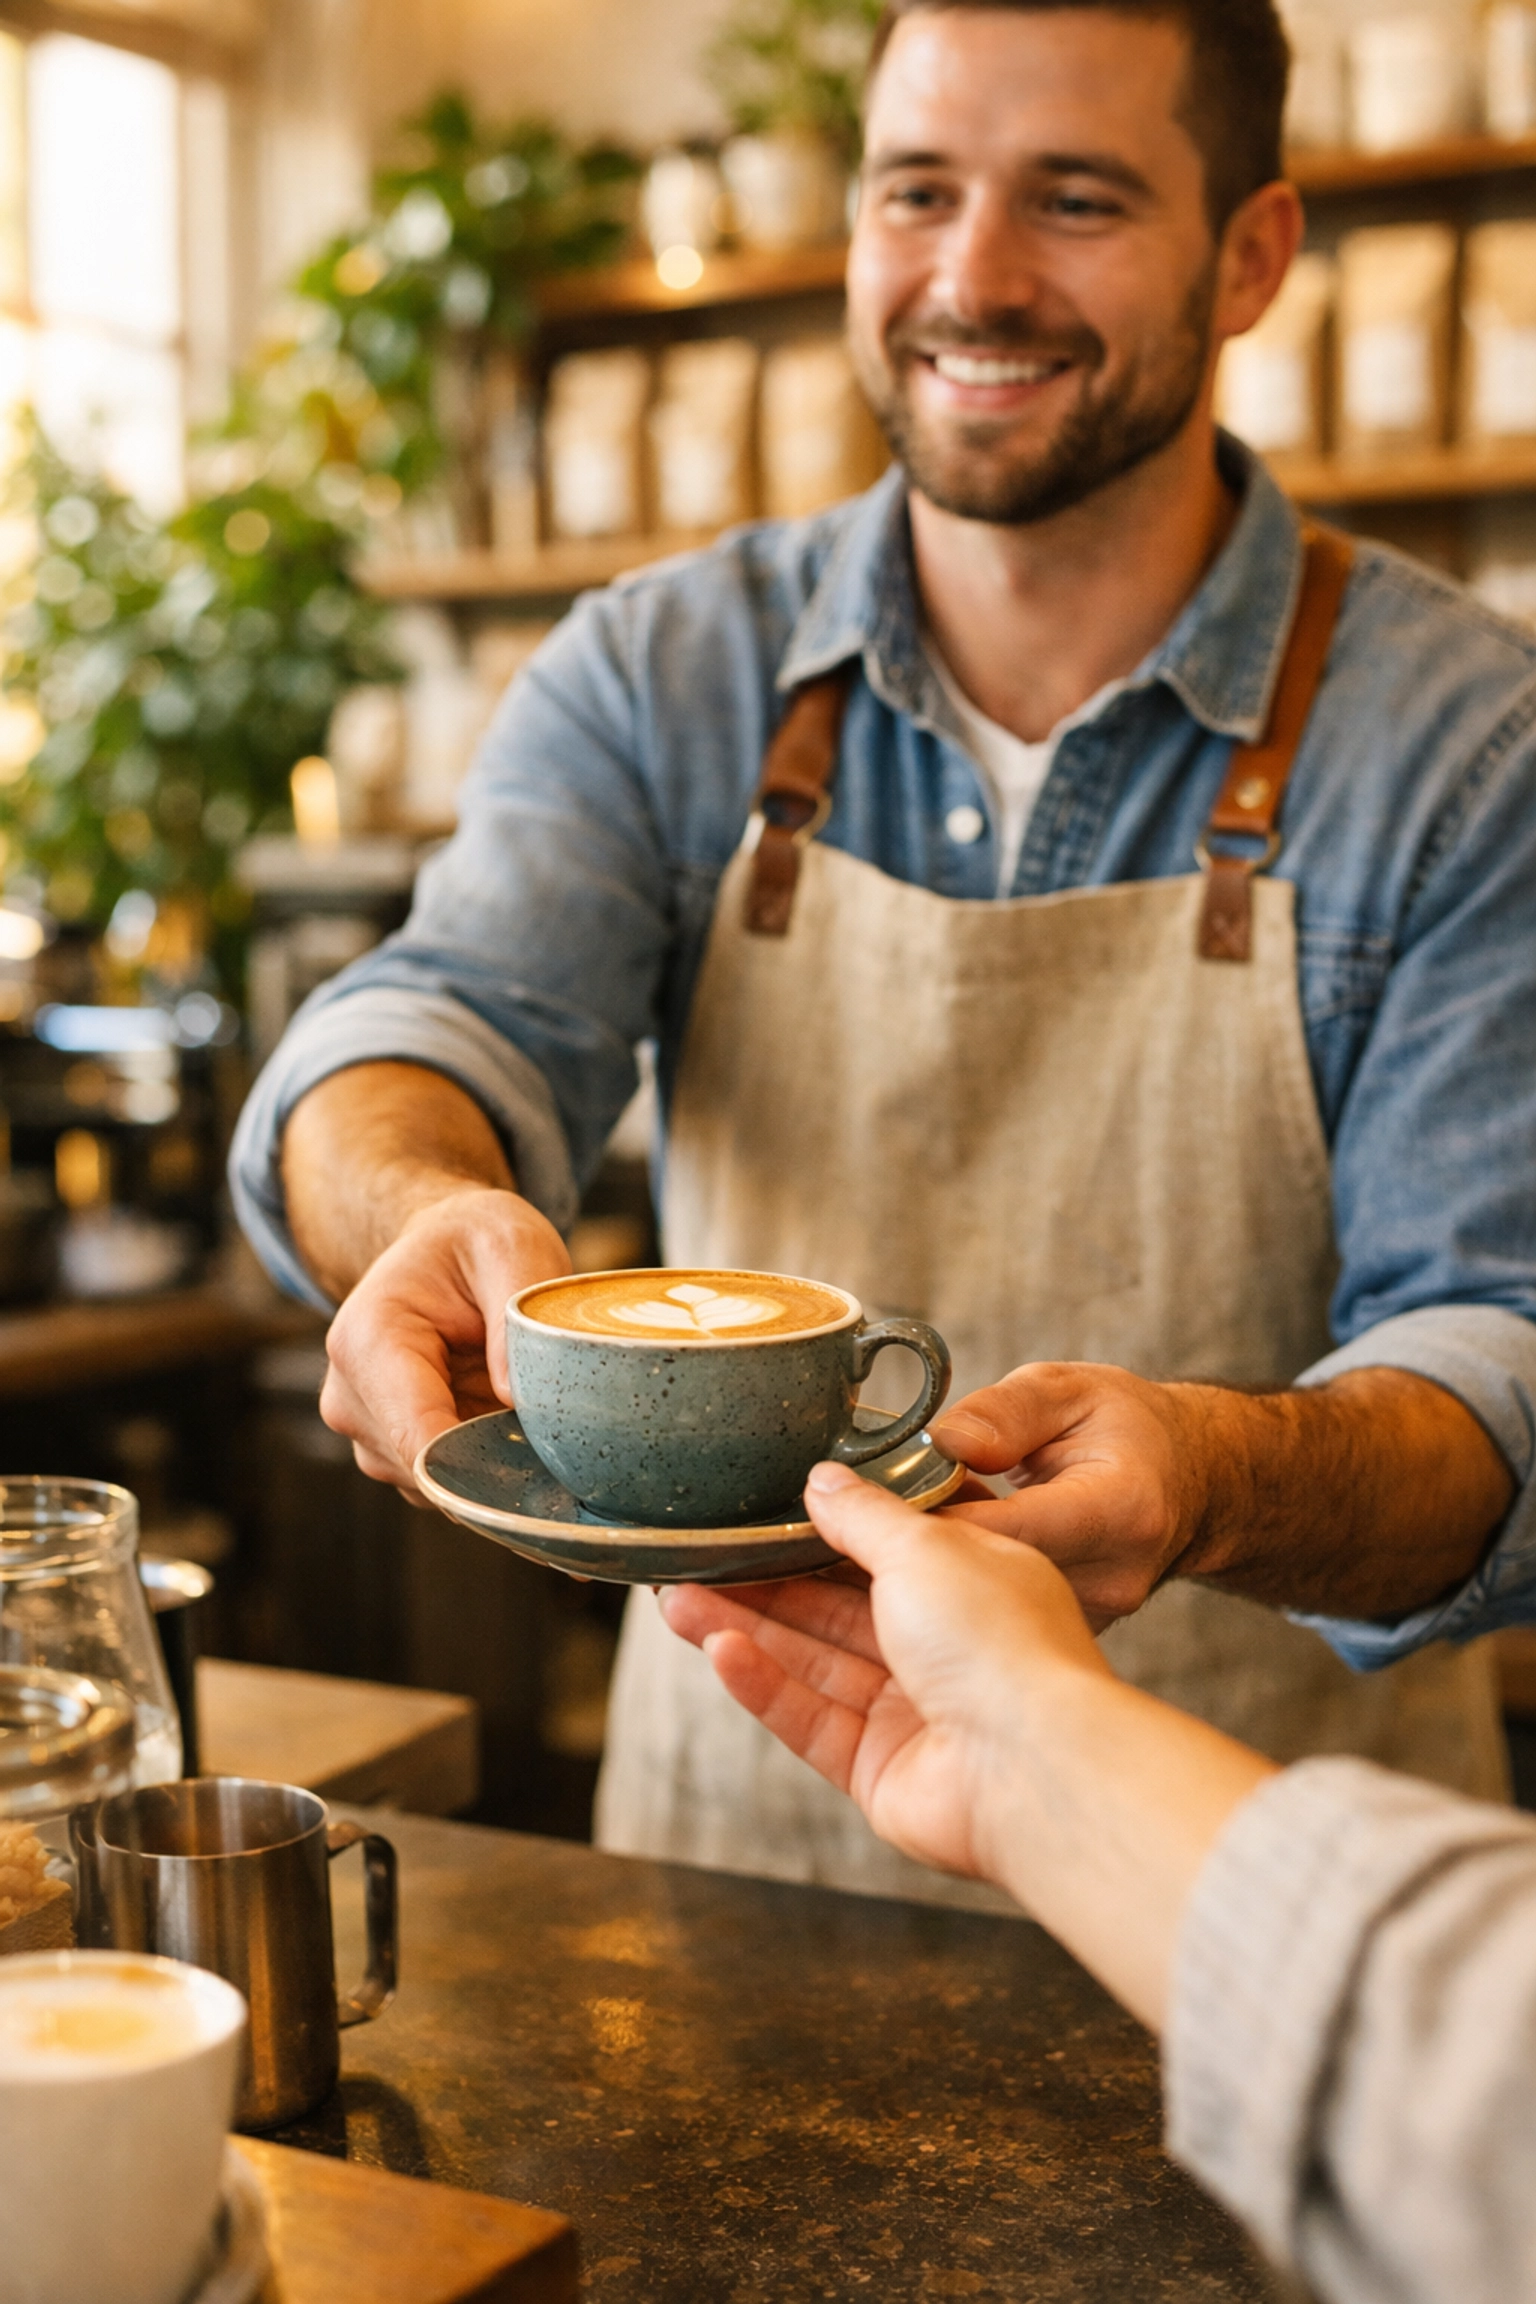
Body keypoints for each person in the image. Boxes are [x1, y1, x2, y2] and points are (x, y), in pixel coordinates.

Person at [231, 0, 1536, 1904]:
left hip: (1278, 1931)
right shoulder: (660, 674)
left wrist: (1225, 1478)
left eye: (1074, 199)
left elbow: (1502, 1355)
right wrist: (410, 1196)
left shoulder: (1467, 741)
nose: (971, 279)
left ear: (1253, 254)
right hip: (725, 1903)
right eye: (915, 190)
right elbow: (431, 1022)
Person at [658, 1428, 1536, 2304]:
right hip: (752, 1860)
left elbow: (1473, 2083)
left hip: (1250, 1843)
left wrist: (1031, 1742)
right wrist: (1027, 1747)